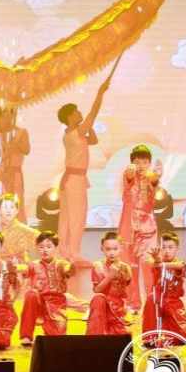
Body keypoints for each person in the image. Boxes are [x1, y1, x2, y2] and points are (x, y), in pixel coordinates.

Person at [55, 65, 117, 264]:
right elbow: (94, 112)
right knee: (77, 218)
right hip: (74, 180)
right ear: (69, 117)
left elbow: (94, 140)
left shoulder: (72, 134)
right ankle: (74, 254)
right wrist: (100, 92)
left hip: (71, 180)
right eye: (76, 112)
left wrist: (88, 126)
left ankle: (64, 252)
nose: (80, 113)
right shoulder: (76, 132)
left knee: (67, 218)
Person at [119, 144, 162, 312]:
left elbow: (154, 183)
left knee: (147, 263)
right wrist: (130, 173)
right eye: (137, 162)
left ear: (149, 163)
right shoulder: (128, 175)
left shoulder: (151, 178)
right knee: (131, 267)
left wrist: (156, 177)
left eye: (144, 162)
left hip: (147, 228)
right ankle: (133, 303)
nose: (141, 165)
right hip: (129, 228)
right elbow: (129, 178)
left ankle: (152, 301)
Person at [18, 230, 73, 346]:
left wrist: (71, 269)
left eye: (48, 246)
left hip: (56, 306)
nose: (45, 250)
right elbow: (23, 268)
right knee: (31, 295)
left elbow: (69, 270)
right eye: (41, 247)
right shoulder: (33, 264)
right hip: (38, 303)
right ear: (37, 248)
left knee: (56, 339)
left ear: (55, 248)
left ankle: (52, 326)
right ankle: (26, 335)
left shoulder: (62, 264)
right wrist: (13, 268)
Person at [142, 232, 186, 346]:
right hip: (158, 301)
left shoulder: (180, 263)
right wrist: (157, 260)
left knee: (182, 337)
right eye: (163, 247)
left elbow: (178, 266)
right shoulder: (156, 263)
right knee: (151, 298)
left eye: (170, 247)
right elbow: (152, 264)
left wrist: (159, 263)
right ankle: (150, 337)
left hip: (173, 304)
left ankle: (166, 332)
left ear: (177, 249)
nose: (167, 251)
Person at [86, 232, 133, 336]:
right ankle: (92, 341)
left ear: (121, 248)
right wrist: (109, 277)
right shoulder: (98, 265)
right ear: (102, 249)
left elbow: (126, 287)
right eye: (108, 249)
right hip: (102, 305)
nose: (112, 253)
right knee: (98, 299)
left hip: (118, 307)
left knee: (123, 337)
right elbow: (97, 290)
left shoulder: (125, 267)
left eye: (115, 249)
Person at [0, 106, 30, 205]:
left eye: (8, 113)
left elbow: (26, 150)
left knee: (16, 204)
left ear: (12, 115)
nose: (6, 117)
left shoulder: (21, 132)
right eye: (3, 114)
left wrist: (16, 143)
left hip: (15, 174)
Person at [0, 193, 39, 265]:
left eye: (12, 207)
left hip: (19, 265)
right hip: (0, 265)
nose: (8, 210)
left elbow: (42, 240)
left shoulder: (23, 229)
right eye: (5, 207)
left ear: (17, 210)